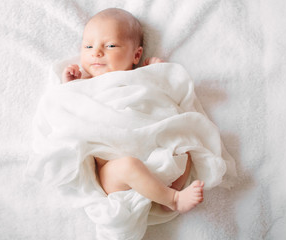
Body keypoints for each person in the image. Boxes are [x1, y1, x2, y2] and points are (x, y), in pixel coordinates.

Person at [61, 8, 204, 213]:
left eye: (110, 45)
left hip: (153, 157)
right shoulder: (87, 83)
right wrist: (69, 84)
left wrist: (159, 73)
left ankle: (169, 190)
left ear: (136, 54)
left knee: (185, 144)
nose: (96, 52)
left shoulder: (141, 79)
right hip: (111, 172)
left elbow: (166, 99)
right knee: (128, 165)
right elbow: (69, 108)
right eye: (88, 46)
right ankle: (173, 199)